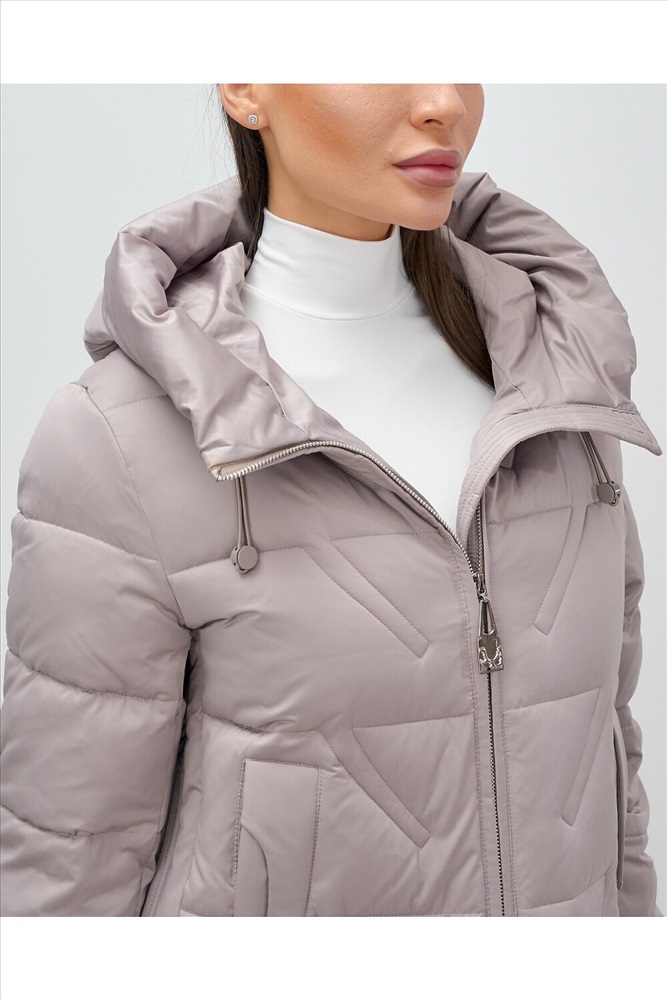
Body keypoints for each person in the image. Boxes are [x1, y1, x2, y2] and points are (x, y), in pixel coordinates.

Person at [0, 84, 662, 917]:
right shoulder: (120, 435)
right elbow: (67, 867)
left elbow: (609, 777)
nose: (442, 102)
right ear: (247, 88)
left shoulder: (557, 384)